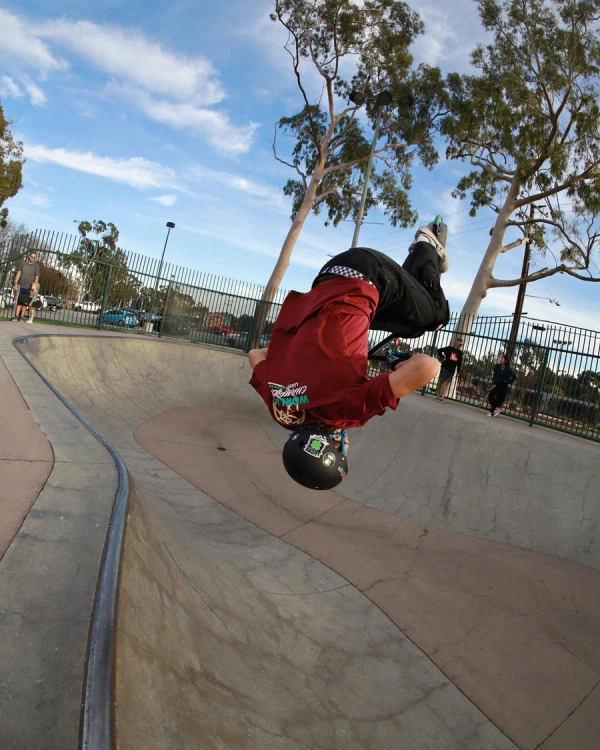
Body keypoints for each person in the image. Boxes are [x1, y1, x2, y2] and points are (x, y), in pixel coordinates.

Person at [248, 218, 450, 490]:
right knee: (411, 325)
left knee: (437, 316)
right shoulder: (281, 409)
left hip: (368, 275)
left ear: (332, 443)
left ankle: (427, 245)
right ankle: (417, 260)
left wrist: (405, 365)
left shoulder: (346, 410)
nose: (347, 445)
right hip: (327, 281)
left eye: (343, 449)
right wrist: (298, 354)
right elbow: (256, 354)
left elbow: (429, 367)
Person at [12, 251, 40, 324]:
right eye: (32, 257)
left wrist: (35, 287)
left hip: (29, 288)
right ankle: (16, 316)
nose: (33, 258)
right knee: (19, 302)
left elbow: (36, 277)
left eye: (34, 258)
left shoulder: (36, 266)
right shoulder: (23, 264)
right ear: (29, 256)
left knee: (25, 303)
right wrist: (15, 283)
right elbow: (19, 273)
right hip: (21, 285)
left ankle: (21, 316)